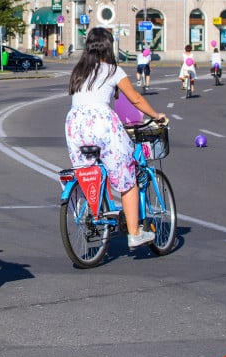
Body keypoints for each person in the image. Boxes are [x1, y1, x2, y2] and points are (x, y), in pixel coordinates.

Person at [65, 27, 168, 249]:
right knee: (126, 176)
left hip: (75, 124)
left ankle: (90, 212)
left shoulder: (78, 71)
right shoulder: (113, 70)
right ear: (107, 47)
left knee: (86, 171)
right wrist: (156, 115)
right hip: (102, 123)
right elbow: (136, 99)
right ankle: (134, 233)